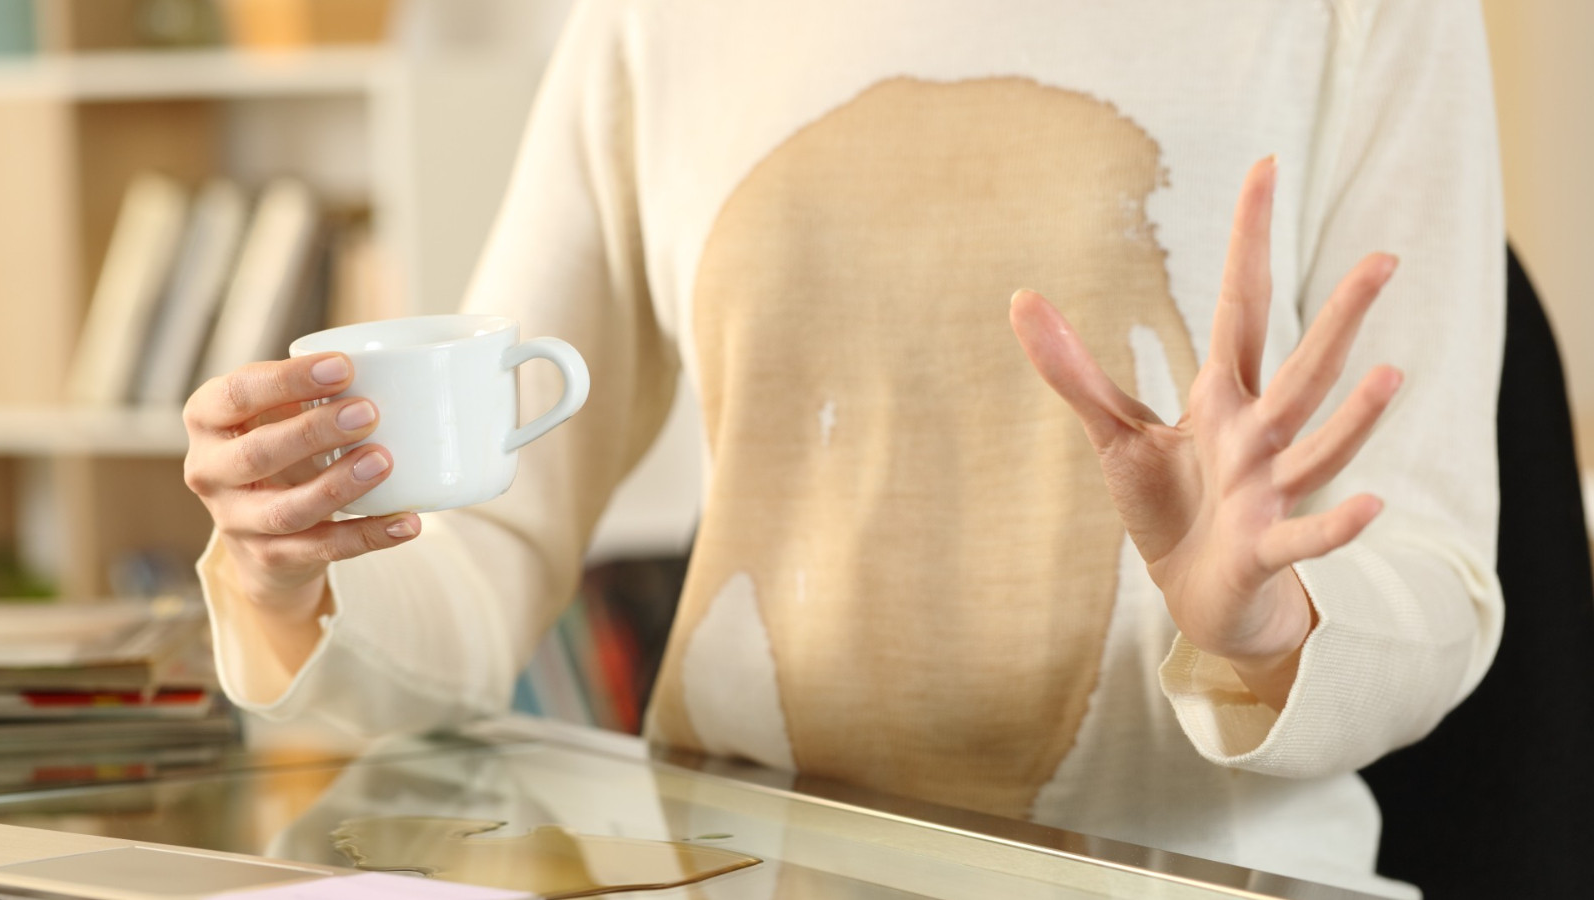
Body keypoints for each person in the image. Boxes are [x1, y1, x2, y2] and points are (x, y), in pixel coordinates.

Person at [181, 1, 1504, 896]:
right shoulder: (654, 24)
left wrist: (1268, 621)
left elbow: (1438, 577)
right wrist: (289, 569)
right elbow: (487, 544)